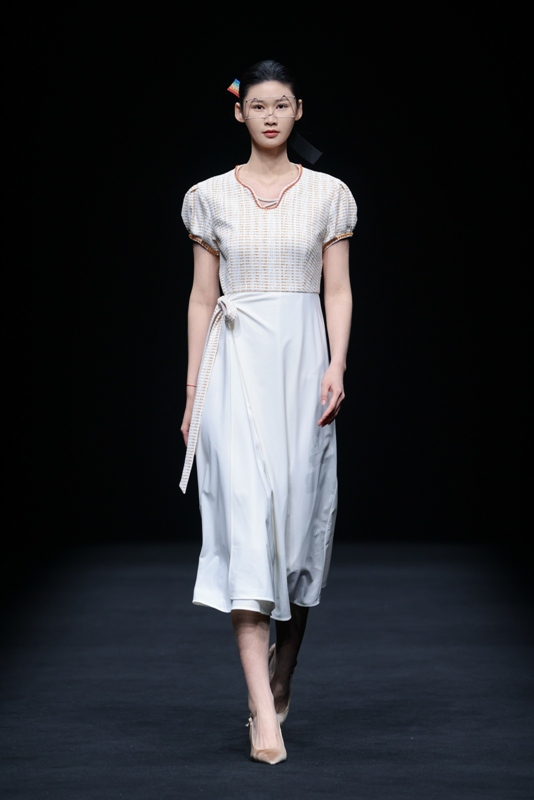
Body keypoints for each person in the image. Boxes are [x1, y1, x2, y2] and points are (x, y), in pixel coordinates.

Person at [179, 60, 357, 764]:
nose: (271, 116)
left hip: (303, 368)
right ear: (240, 113)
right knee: (248, 527)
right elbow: (202, 296)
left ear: (299, 110)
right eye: (258, 105)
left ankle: (286, 667)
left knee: (300, 534)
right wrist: (191, 392)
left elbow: (337, 289)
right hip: (233, 370)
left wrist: (336, 364)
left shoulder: (329, 195)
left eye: (282, 105)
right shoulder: (209, 196)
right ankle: (264, 711)